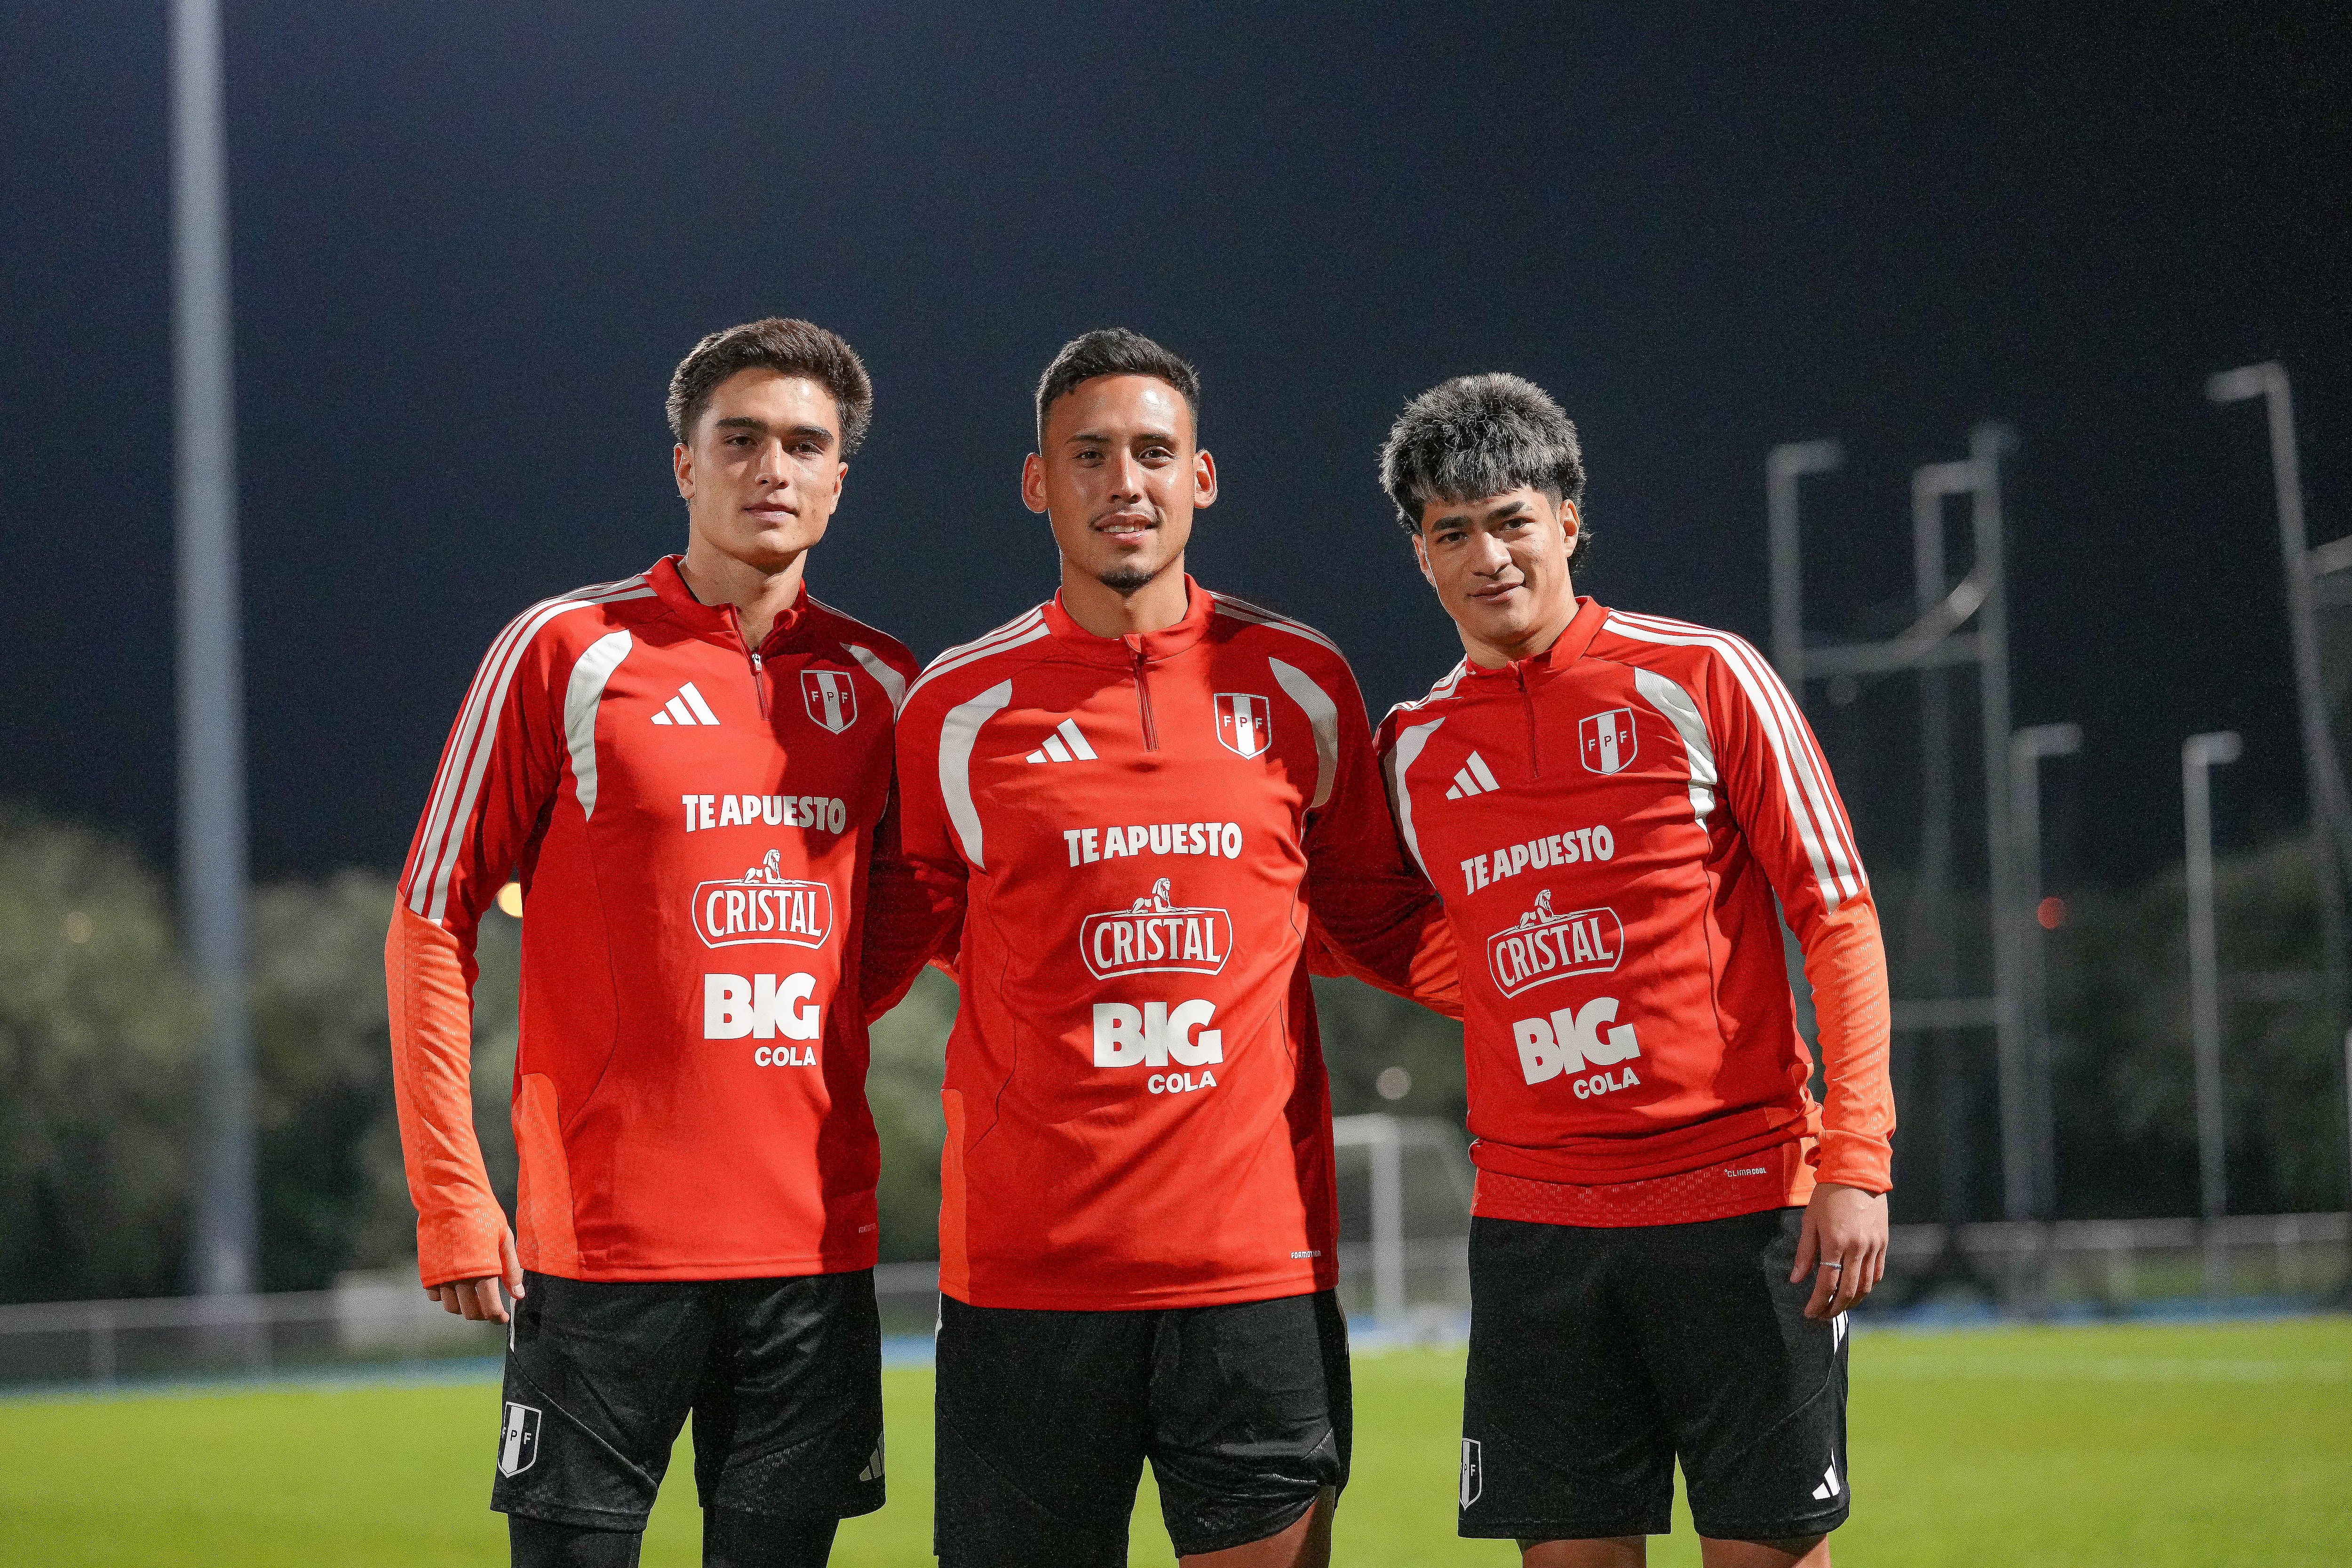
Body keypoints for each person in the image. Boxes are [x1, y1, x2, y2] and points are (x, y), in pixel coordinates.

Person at [867, 328, 1455, 1568]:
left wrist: (1570, 965)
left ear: (1203, 477)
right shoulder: (955, 712)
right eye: (1089, 454)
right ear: (1040, 481)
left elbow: (1375, 921)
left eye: (1152, 452)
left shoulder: (1302, 684)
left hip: (1255, 1274)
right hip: (1026, 1283)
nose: (1122, 482)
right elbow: (924, 938)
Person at [385, 318, 917, 1568]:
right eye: (741, 439)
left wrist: (798, 1009)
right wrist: (454, 1196)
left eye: (805, 443)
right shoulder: (567, 648)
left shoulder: (889, 684)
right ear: (686, 464)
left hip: (812, 1250)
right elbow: (429, 913)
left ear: (840, 478)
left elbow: (909, 915)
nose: (773, 467)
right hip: (603, 1249)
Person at [1371, 374, 1895, 1568]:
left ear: (1567, 518)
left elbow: (1838, 913)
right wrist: (1510, 988)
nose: (1488, 555)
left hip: (1741, 1206)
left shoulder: (1703, 675)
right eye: (1452, 531)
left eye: (1510, 518)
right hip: (1534, 1226)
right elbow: (1353, 920)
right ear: (1420, 554)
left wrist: (1855, 1158)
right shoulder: (1410, 747)